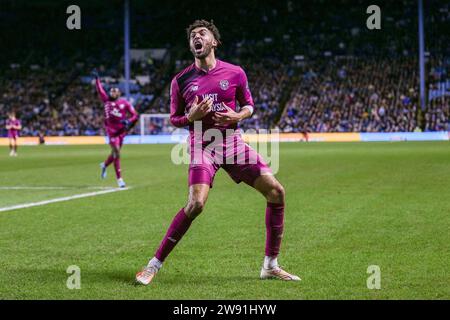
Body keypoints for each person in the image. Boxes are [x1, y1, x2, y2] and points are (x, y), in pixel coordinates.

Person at [136, 20, 300, 285]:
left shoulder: (235, 73)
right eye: (192, 36)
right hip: (202, 144)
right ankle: (153, 265)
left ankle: (270, 265)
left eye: (202, 33)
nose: (196, 37)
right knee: (196, 204)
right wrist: (190, 116)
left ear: (214, 42)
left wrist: (238, 114)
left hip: (232, 143)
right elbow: (174, 119)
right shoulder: (180, 80)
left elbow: (249, 105)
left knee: (276, 191)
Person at [92, 70, 138, 188]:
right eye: (111, 91)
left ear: (119, 93)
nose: (112, 92)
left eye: (115, 91)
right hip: (111, 133)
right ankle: (120, 179)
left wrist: (128, 121)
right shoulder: (106, 100)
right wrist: (97, 79)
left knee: (115, 154)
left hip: (121, 132)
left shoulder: (125, 103)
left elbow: (135, 115)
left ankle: (104, 165)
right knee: (117, 152)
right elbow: (100, 90)